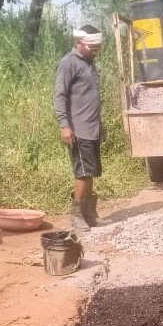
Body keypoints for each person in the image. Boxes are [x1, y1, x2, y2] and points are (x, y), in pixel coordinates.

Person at [54, 25, 105, 231]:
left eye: (97, 47)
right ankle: (76, 216)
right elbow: (60, 96)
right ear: (80, 43)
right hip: (79, 129)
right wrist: (64, 126)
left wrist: (101, 126)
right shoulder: (68, 63)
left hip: (92, 128)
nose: (96, 50)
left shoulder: (89, 63)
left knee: (90, 171)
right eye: (92, 47)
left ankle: (89, 213)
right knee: (82, 173)